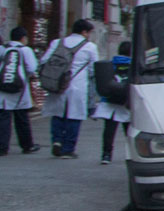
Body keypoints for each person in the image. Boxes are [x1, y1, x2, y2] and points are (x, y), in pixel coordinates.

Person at [42, 19, 97, 158]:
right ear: (84, 32)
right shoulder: (90, 47)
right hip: (77, 85)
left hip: (58, 83)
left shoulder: (57, 42)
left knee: (58, 114)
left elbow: (44, 61)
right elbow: (93, 69)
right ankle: (68, 149)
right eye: (89, 32)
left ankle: (57, 141)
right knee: (74, 116)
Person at [0, 26, 41, 155]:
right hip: (20, 90)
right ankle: (27, 145)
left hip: (3, 89)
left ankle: (2, 147)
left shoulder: (3, 49)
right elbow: (32, 68)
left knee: (3, 118)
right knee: (22, 119)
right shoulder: (25, 50)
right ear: (23, 38)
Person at [93, 41, 132, 164]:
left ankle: (106, 155)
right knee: (129, 131)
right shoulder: (134, 65)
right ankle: (131, 154)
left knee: (109, 130)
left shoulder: (110, 64)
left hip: (109, 103)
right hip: (127, 103)